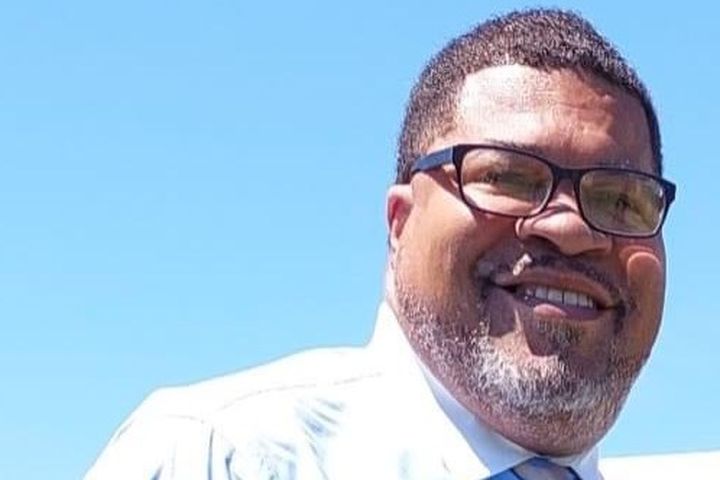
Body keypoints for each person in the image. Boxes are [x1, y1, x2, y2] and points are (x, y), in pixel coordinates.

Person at [86, 8, 677, 480]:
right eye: (507, 177)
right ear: (399, 223)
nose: (570, 228)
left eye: (622, 200)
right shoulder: (218, 455)